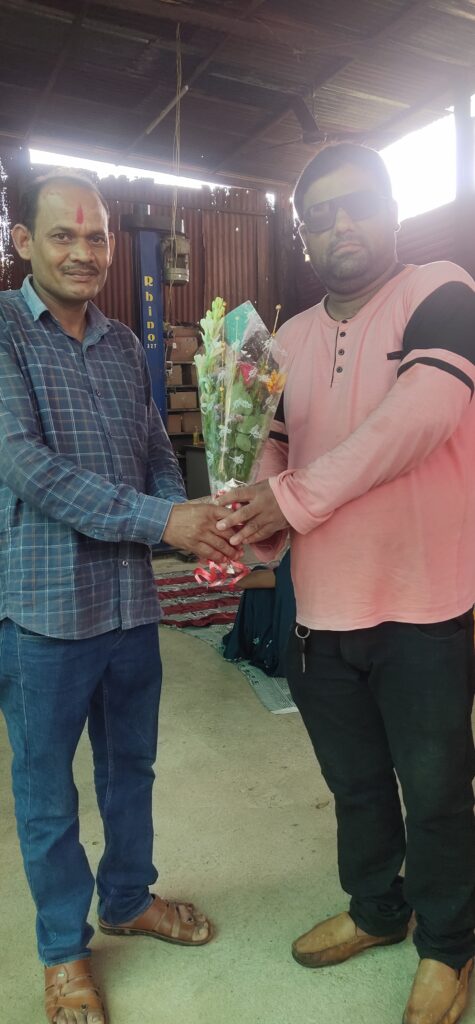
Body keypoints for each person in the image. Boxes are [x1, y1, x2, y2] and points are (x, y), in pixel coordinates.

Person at [216, 142, 475, 1024]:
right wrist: (251, 507)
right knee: (356, 784)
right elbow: (271, 441)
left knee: (436, 792)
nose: (339, 226)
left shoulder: (441, 290)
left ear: (390, 209)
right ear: (302, 236)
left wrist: (289, 498)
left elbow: (420, 415)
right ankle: (376, 909)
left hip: (423, 611)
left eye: (355, 204)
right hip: (320, 613)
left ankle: (448, 946)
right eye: (317, 217)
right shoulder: (283, 337)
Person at [0, 170, 238, 1024]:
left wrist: (193, 517)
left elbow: (156, 451)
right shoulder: (5, 335)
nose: (84, 251)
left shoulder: (122, 342)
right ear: (22, 241)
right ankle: (63, 951)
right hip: (44, 611)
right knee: (46, 793)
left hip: (131, 606)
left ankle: (129, 899)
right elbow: (29, 467)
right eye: (62, 234)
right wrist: (162, 520)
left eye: (96, 235)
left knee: (130, 768)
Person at [222, 549, 295, 676]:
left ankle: (249, 643)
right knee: (268, 576)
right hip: (326, 632)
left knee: (258, 583)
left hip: (295, 644)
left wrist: (229, 568)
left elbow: (242, 582)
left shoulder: (301, 556)